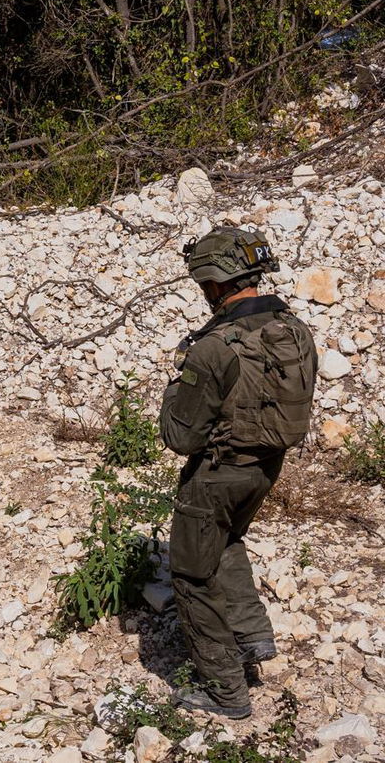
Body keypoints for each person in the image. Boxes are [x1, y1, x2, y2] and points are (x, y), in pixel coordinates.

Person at [160, 227, 317, 719]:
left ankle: (225, 691)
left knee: (190, 574)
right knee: (226, 540)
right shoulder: (294, 329)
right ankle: (252, 635)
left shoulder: (213, 348)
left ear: (214, 282)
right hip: (267, 468)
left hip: (217, 474)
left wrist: (172, 391)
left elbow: (180, 437)